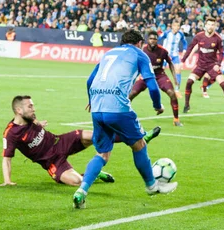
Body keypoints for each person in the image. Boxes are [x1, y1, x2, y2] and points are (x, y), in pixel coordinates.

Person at [73, 30, 178, 209]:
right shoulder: (140, 54)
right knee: (139, 145)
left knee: (102, 154)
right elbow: (152, 85)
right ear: (139, 43)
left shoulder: (108, 53)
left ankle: (82, 190)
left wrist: (92, 101)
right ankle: (152, 186)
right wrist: (158, 105)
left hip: (97, 108)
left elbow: (90, 81)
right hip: (118, 108)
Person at [1, 95, 161, 187]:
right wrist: (7, 181)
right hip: (51, 162)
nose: (33, 109)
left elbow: (33, 123)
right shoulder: (11, 133)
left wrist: (38, 124)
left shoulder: (30, 119)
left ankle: (138, 138)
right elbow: (6, 159)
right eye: (30, 107)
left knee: (96, 135)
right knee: (75, 181)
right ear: (19, 110)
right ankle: (93, 174)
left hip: (60, 141)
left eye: (33, 106)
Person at [181, 17, 224, 117]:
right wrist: (183, 60)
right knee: (189, 81)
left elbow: (221, 53)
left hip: (212, 65)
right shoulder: (199, 36)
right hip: (200, 65)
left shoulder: (218, 38)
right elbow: (190, 48)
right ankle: (186, 105)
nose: (211, 26)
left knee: (223, 84)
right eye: (209, 24)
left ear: (215, 26)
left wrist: (218, 64)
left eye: (213, 24)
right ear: (205, 25)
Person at [129, 31, 183, 127]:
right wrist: (136, 76)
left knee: (172, 93)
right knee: (131, 94)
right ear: (147, 40)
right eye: (151, 38)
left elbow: (170, 63)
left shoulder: (162, 51)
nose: (153, 40)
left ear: (157, 40)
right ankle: (125, 118)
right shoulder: (141, 50)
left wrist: (175, 78)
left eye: (155, 39)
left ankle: (176, 119)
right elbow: (134, 63)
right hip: (145, 76)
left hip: (159, 75)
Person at [158, 21, 187, 97]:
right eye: (175, 26)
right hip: (165, 55)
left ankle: (177, 90)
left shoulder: (180, 34)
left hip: (175, 55)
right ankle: (156, 87)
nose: (177, 28)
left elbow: (185, 43)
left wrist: (184, 50)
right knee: (160, 70)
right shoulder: (167, 33)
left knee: (178, 70)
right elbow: (158, 38)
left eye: (178, 26)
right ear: (172, 26)